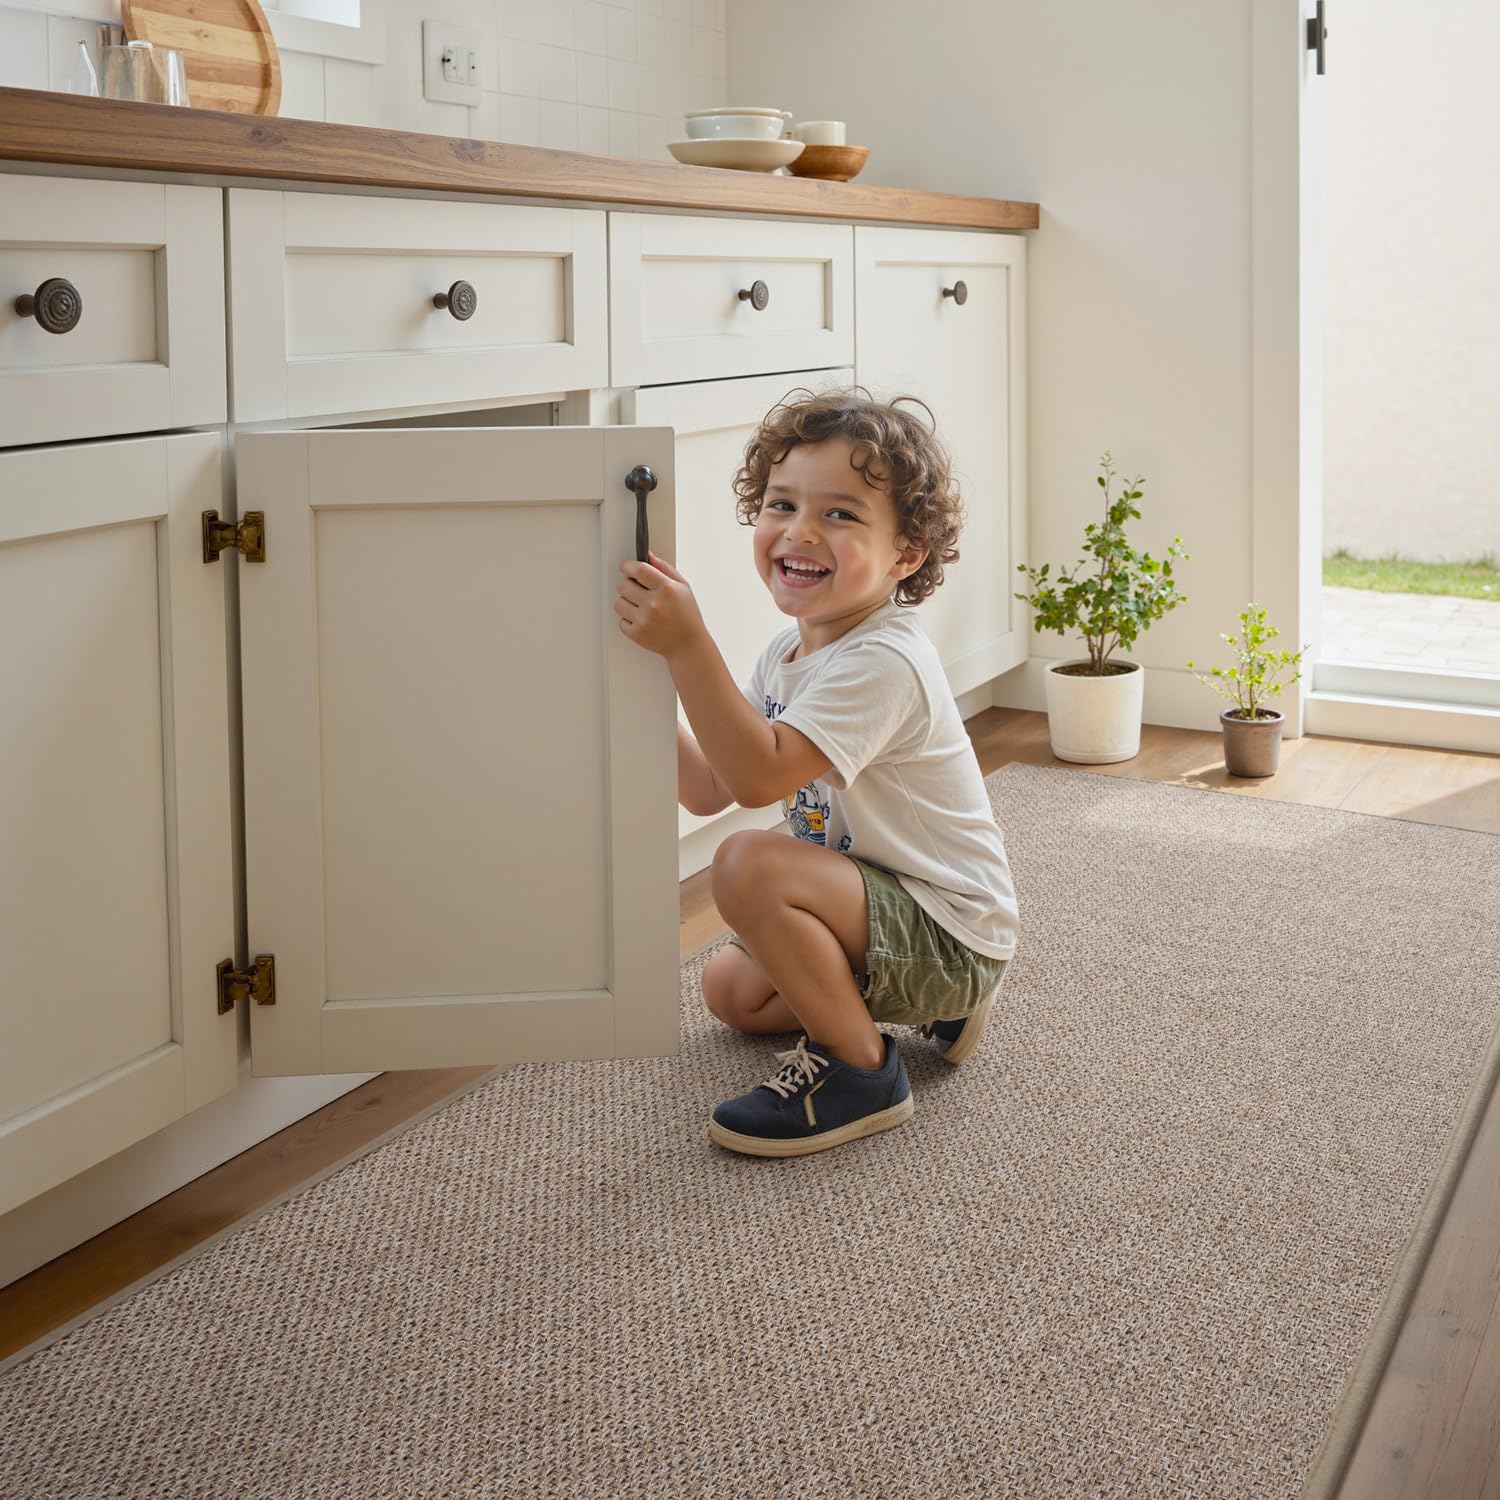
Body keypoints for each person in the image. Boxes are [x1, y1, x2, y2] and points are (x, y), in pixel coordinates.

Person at [614, 387, 1020, 1158]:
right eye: (781, 503)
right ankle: (933, 1015)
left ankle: (864, 1074)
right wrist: (631, 691)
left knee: (746, 862)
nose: (799, 530)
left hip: (950, 927)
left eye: (840, 514)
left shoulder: (883, 658)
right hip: (880, 907)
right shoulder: (789, 652)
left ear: (905, 555)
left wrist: (686, 643)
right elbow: (711, 783)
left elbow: (758, 780)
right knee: (729, 992)